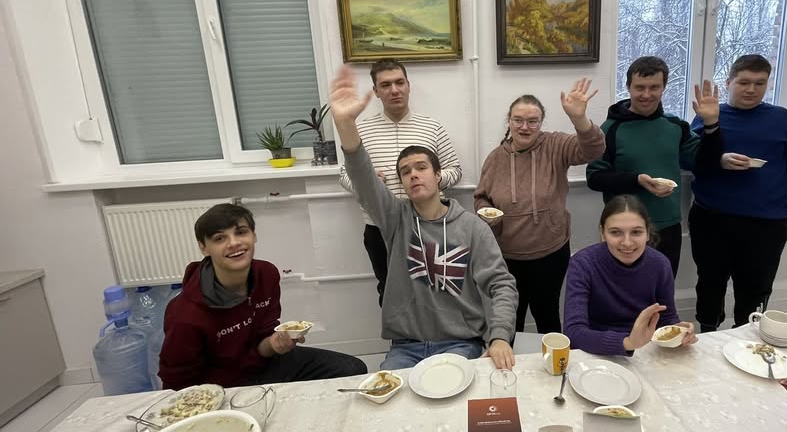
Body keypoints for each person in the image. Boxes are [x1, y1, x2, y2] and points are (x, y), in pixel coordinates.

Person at [330, 65, 519, 371]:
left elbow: (501, 284)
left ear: (438, 175)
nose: (414, 175)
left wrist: (499, 337)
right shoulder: (396, 221)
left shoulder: (472, 227)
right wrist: (345, 124)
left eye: (421, 167)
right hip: (406, 347)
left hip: (461, 343)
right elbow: (362, 177)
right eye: (405, 172)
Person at [159, 204, 367, 390]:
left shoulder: (266, 274)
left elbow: (263, 341)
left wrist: (274, 344)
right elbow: (176, 383)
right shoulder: (185, 313)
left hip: (263, 365)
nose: (234, 243)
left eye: (241, 232)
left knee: (353, 369)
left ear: (254, 236)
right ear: (204, 247)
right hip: (224, 387)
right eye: (219, 238)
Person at [689, 54, 787, 332]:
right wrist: (719, 159)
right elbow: (688, 160)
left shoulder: (782, 119)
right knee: (710, 281)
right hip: (712, 217)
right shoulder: (709, 115)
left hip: (766, 223)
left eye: (760, 83)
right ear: (729, 82)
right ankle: (707, 334)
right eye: (744, 82)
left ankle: (747, 337)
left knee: (755, 287)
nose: (751, 89)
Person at [474, 79, 605, 336]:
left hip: (551, 254)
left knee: (548, 317)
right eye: (518, 120)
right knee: (510, 322)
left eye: (532, 121)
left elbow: (594, 150)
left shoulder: (556, 146)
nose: (525, 127)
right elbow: (481, 198)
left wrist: (579, 119)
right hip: (507, 257)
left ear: (541, 122)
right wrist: (486, 214)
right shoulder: (495, 158)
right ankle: (510, 362)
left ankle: (553, 361)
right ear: (509, 121)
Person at [339, 58, 462, 307]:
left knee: (436, 290)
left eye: (399, 82)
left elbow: (455, 170)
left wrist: (433, 179)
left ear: (408, 85)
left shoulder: (432, 127)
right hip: (380, 229)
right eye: (385, 85)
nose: (394, 90)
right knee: (390, 292)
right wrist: (367, 184)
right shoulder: (361, 130)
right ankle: (398, 334)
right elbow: (344, 175)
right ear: (376, 91)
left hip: (429, 225)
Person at [586, 56, 723, 276]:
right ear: (628, 87)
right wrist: (636, 180)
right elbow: (595, 178)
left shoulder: (675, 126)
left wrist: (711, 124)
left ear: (663, 88)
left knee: (663, 288)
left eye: (654, 87)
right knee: (622, 289)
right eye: (640, 87)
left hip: (668, 226)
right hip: (624, 228)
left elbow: (707, 163)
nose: (646, 94)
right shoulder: (610, 129)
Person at [563, 195, 697, 354]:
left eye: (636, 232)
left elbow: (667, 318)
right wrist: (627, 342)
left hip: (645, 349)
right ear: (602, 233)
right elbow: (574, 332)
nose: (627, 242)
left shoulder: (660, 264)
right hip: (593, 351)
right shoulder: (583, 264)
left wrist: (679, 331)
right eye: (616, 232)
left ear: (648, 233)